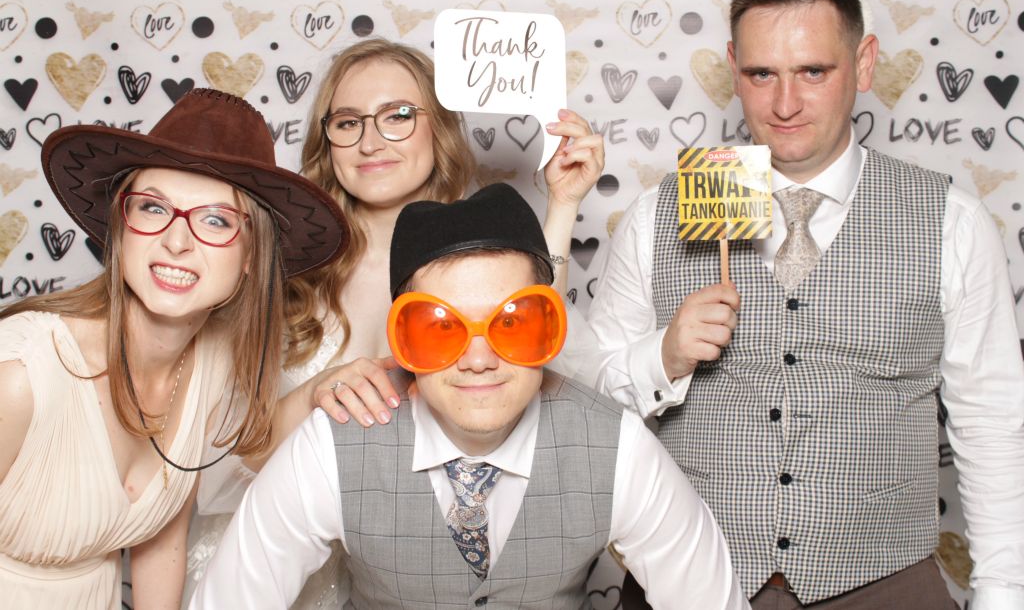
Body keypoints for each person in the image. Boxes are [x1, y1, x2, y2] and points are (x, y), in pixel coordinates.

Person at [587, 0, 1024, 609]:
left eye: (813, 72)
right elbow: (586, 405)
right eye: (761, 74)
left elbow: (992, 424)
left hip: (884, 582)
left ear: (864, 64)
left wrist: (1002, 594)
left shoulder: (951, 222)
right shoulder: (658, 215)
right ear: (733, 68)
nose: (784, 104)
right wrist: (664, 356)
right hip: (689, 580)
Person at [184, 39, 605, 608]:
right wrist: (314, 394)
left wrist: (563, 206)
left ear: (441, 130)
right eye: (348, 122)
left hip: (414, 574)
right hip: (275, 572)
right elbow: (223, 466)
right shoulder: (279, 270)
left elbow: (546, 362)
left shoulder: (481, 261)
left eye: (398, 115)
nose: (371, 141)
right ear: (326, 141)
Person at [190, 183, 748, 610]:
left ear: (550, 328)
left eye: (513, 323)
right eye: (439, 327)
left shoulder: (618, 448)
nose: (479, 359)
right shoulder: (330, 447)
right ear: (402, 340)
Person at [0, 88, 347, 609]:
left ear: (251, 257)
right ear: (122, 227)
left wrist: (325, 386)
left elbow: (160, 543)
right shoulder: (21, 371)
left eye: (215, 220)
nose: (177, 241)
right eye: (153, 207)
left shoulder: (210, 365)